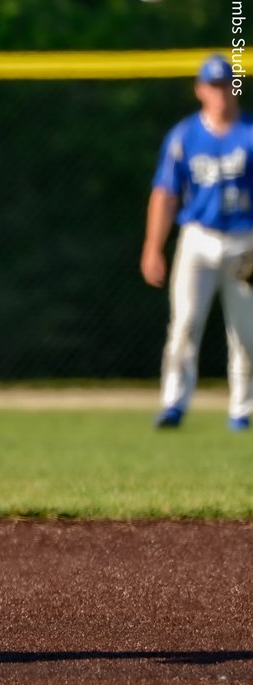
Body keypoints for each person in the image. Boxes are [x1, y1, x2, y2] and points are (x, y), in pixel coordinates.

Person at [141, 54, 253, 430]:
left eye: (226, 85)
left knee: (247, 331)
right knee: (185, 324)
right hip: (198, 239)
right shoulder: (185, 135)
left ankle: (243, 410)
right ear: (200, 90)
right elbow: (165, 193)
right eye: (213, 85)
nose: (220, 93)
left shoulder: (250, 133)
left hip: (246, 241)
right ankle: (173, 404)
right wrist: (153, 246)